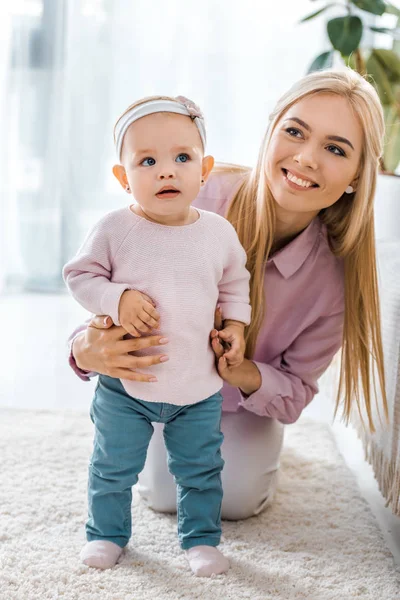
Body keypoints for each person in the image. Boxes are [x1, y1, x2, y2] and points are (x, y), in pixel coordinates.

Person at [69, 67, 388, 537]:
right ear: (271, 129)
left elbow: (295, 392)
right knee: (161, 493)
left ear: (357, 178)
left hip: (239, 403)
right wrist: (84, 349)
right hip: (158, 389)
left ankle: (258, 449)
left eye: (335, 149)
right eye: (294, 132)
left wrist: (244, 373)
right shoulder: (192, 191)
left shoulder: (332, 282)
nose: (305, 158)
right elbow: (101, 279)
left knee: (234, 500)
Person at [63, 95, 252, 576]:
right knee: (112, 467)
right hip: (126, 385)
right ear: (123, 178)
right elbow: (80, 276)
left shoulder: (218, 233)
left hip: (197, 385)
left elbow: (235, 282)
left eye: (182, 158)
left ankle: (201, 540)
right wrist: (116, 298)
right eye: (147, 161)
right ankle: (105, 534)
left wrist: (234, 324)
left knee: (201, 469)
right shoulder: (114, 229)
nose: (166, 172)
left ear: (204, 169)